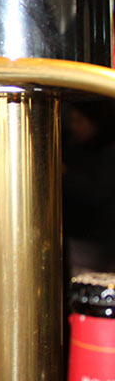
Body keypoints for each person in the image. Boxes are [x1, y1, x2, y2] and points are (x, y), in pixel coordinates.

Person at [63, 99, 115, 273]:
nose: (74, 127)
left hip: (96, 242)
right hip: (76, 238)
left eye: (79, 121)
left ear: (94, 121)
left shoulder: (108, 153)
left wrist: (66, 175)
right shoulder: (73, 147)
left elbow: (98, 194)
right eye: (72, 121)